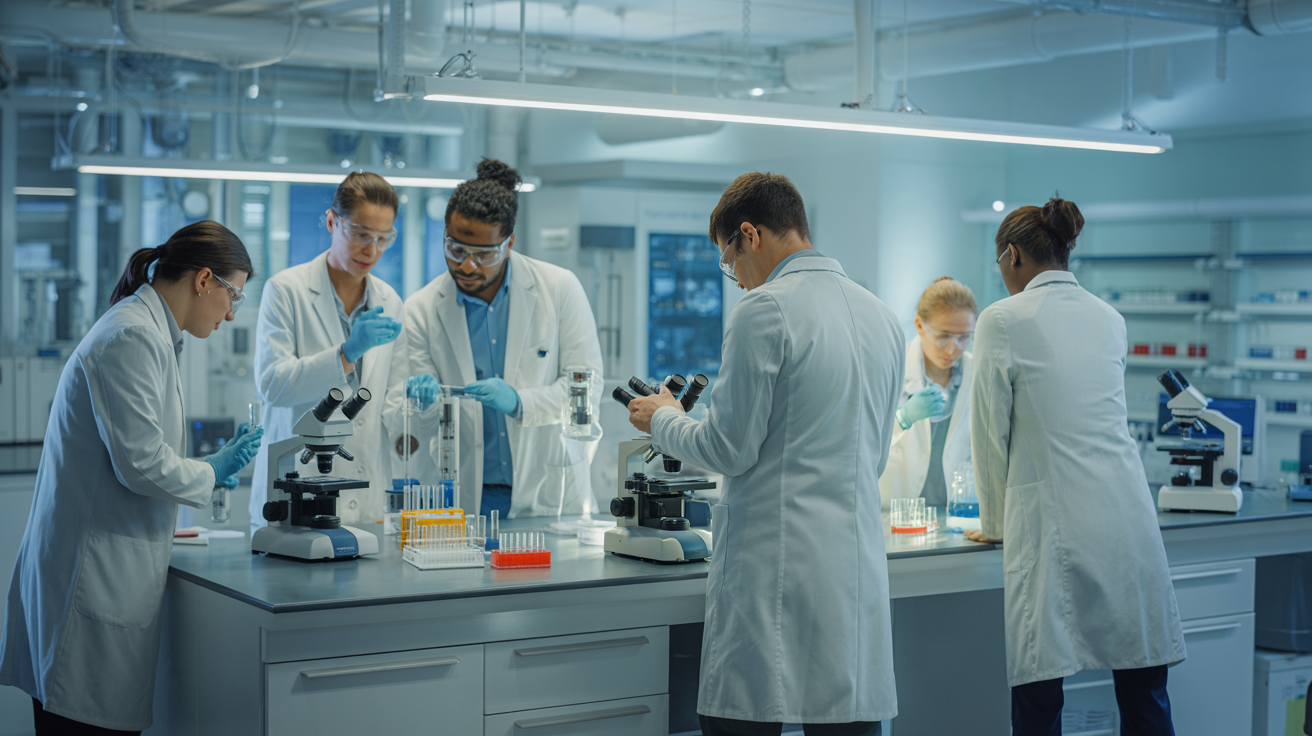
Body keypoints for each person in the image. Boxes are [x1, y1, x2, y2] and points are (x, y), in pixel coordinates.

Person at [626, 173, 903, 735]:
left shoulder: (766, 310)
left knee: (745, 717)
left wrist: (662, 420)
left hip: (774, 571)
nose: (738, 281)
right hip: (851, 570)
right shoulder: (883, 316)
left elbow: (726, 447)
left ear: (747, 236)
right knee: (845, 721)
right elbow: (871, 457)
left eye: (728, 263)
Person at [0, 222, 264, 734]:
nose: (232, 313)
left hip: (98, 573)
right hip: (89, 589)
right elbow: (141, 463)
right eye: (234, 295)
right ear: (204, 280)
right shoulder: (133, 335)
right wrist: (210, 471)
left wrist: (203, 475)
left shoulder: (150, 332)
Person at [966, 198, 1185, 736]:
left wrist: (994, 524)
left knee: (1041, 700)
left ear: (1011, 254)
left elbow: (989, 435)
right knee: (1145, 694)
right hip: (1127, 518)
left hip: (1056, 524)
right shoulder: (1110, 318)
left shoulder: (1002, 318)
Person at [403, 159, 603, 518]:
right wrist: (423, 401)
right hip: (466, 495)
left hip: (548, 493)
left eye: (484, 254)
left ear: (509, 243)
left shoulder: (558, 289)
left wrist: (520, 402)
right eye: (456, 249)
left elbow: (586, 390)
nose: (467, 266)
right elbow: (420, 421)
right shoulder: (421, 309)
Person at [249, 172, 408, 529]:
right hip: (295, 483)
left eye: (384, 238)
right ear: (333, 221)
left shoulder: (390, 302)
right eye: (361, 234)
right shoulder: (285, 291)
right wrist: (346, 354)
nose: (372, 250)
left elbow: (394, 398)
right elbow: (273, 385)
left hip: (365, 494)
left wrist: (419, 402)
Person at [879, 276, 977, 509]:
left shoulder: (978, 373)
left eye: (964, 337)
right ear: (920, 326)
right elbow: (863, 443)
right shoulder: (890, 368)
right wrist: (903, 418)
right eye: (943, 336)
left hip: (957, 512)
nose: (954, 348)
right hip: (897, 511)